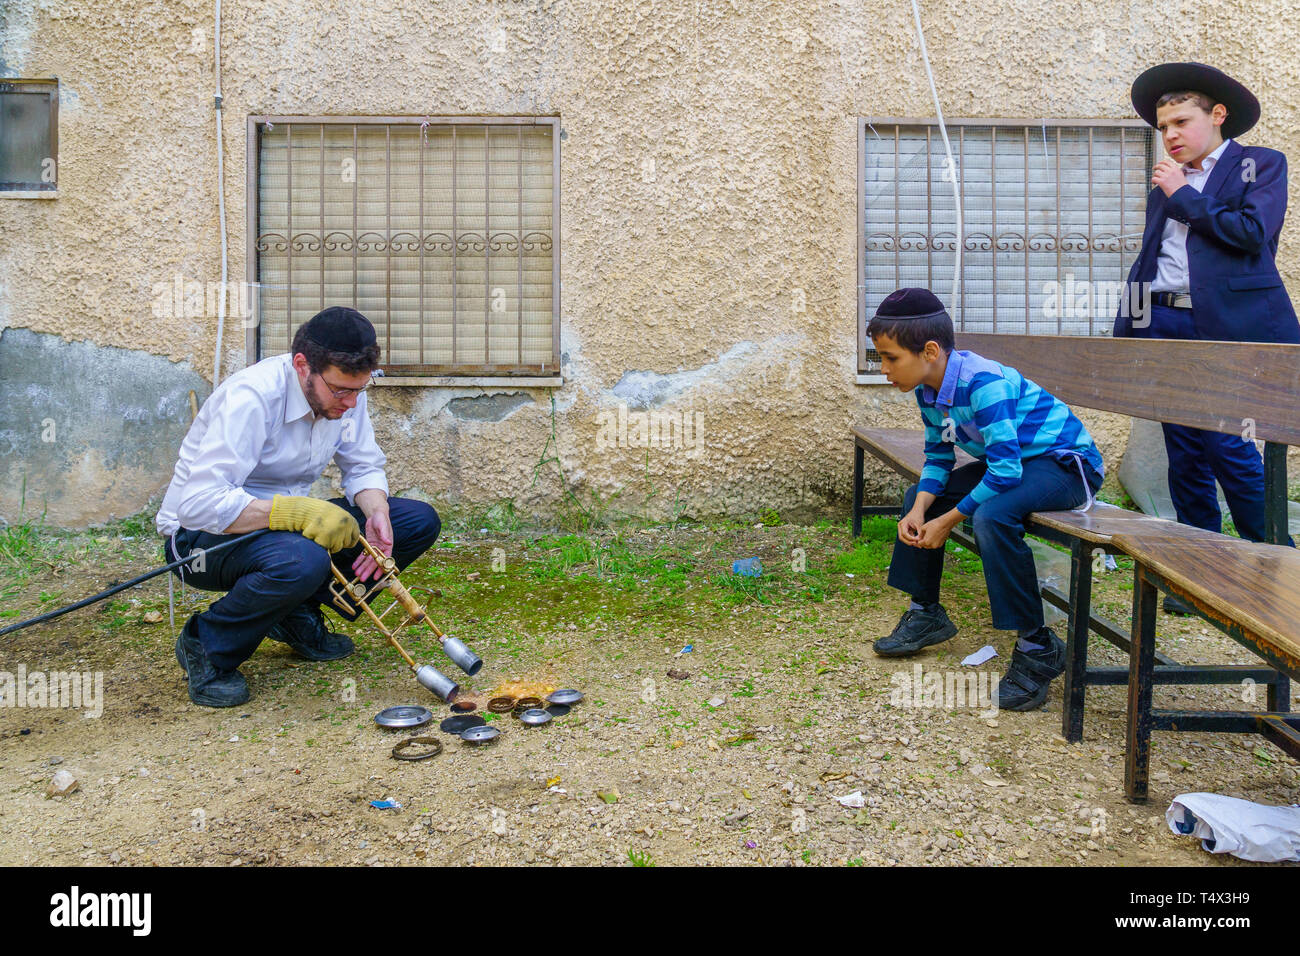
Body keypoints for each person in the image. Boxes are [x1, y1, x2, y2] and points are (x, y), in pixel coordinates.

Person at [156, 307, 440, 707]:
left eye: (360, 390)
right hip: (199, 540)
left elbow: (362, 465)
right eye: (341, 391)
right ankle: (207, 644)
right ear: (302, 366)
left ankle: (293, 615)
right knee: (302, 559)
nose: (351, 404)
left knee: (415, 521)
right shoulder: (251, 398)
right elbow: (198, 504)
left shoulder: (345, 399)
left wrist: (377, 512)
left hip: (280, 532)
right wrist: (294, 513)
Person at [1116, 63, 1299, 612]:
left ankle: (1276, 565)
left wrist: (1183, 194)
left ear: (1217, 116)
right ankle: (1201, 568)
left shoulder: (1260, 164)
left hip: (1231, 330)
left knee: (1232, 447)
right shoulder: (1166, 182)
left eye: (1180, 121)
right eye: (1162, 126)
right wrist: (1128, 327)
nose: (1170, 135)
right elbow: (1151, 260)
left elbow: (1251, 235)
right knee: (1185, 451)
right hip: (1167, 322)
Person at [868, 288, 1105, 711]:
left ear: (930, 350)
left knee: (991, 517)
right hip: (1015, 462)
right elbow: (939, 457)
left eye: (890, 358)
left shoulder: (983, 384)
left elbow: (1007, 472)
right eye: (880, 359)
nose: (884, 369)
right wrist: (922, 510)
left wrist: (947, 522)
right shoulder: (929, 390)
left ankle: (1038, 648)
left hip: (1066, 466)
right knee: (916, 497)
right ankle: (926, 613)